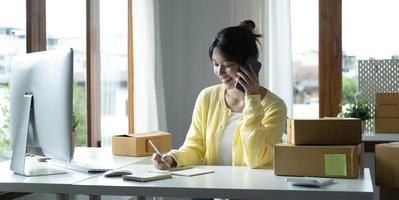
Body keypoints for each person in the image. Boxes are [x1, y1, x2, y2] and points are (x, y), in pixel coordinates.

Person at [152, 20, 287, 170]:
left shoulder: (275, 107)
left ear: (250, 65)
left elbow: (256, 160)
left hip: (252, 192)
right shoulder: (207, 97)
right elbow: (194, 147)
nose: (220, 72)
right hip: (214, 189)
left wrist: (253, 100)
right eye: (216, 64)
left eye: (228, 65)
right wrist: (171, 159)